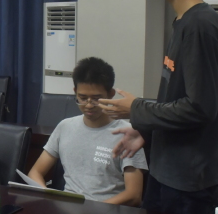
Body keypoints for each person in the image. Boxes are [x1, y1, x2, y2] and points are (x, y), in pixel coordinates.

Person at [98, 0, 218, 214]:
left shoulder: (200, 26)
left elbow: (199, 108)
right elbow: (177, 101)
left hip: (188, 183)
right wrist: (145, 131)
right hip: (168, 172)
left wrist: (136, 108)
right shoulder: (183, 22)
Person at [28, 57, 147, 206]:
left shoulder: (128, 135)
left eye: (96, 99)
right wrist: (48, 197)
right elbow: (35, 173)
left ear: (111, 94)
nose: (89, 105)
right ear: (75, 92)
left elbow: (134, 195)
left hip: (107, 211)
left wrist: (92, 211)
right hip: (67, 211)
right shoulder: (65, 127)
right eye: (82, 98)